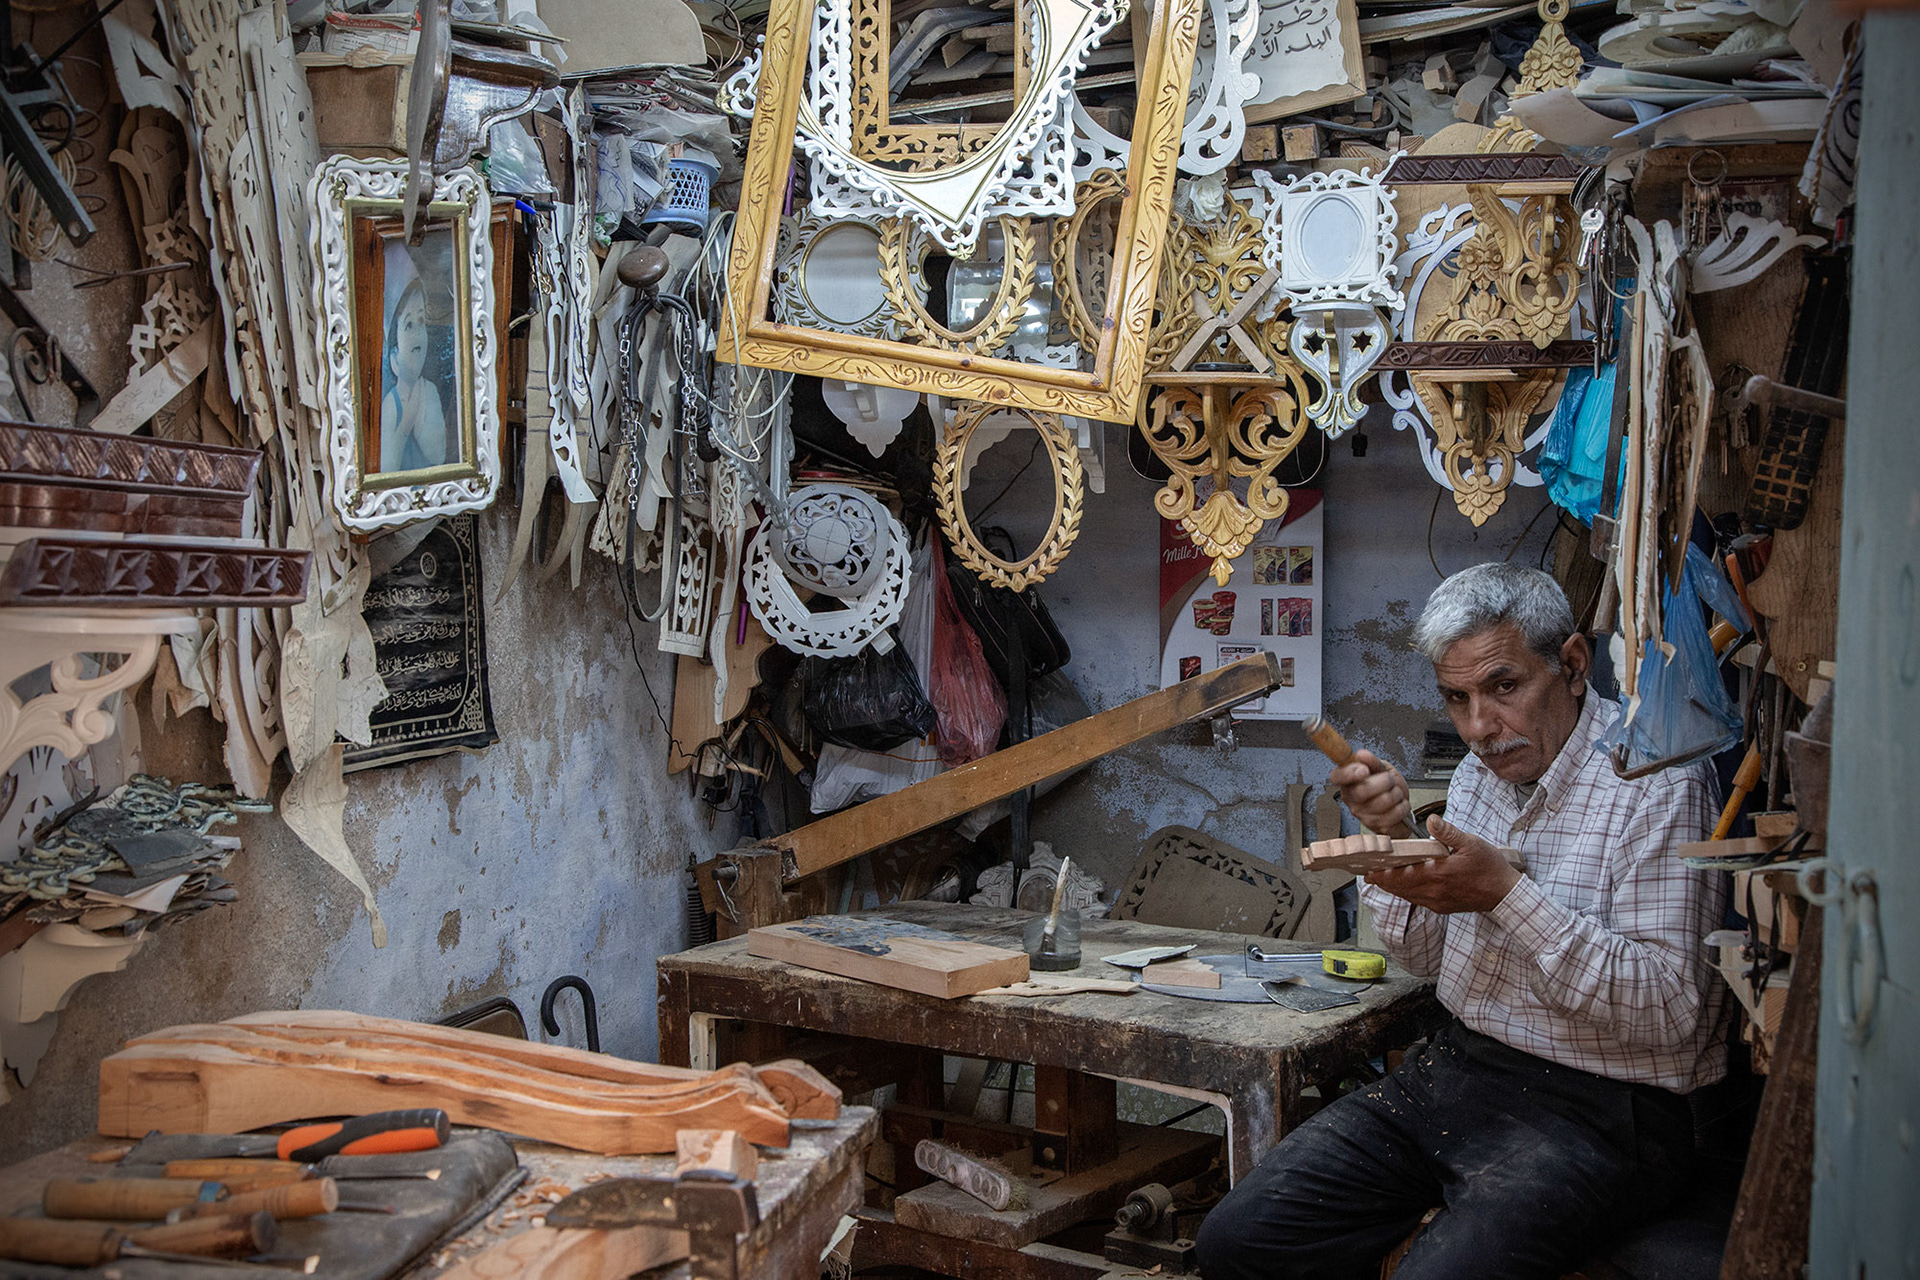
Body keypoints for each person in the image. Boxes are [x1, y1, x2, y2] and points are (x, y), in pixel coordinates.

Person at [1196, 563, 1729, 1280]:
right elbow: (1423, 958)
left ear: (1572, 665)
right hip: (1466, 1070)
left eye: (1504, 688)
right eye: (1457, 698)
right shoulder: (1481, 776)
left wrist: (1506, 896)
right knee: (1240, 1238)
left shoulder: (1659, 782)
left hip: (1613, 1110)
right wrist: (1393, 844)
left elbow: (1675, 1012)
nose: (1479, 727)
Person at [379, 276, 451, 474]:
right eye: (409, 325)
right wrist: (405, 426)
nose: (418, 331)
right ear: (394, 356)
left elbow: (438, 456)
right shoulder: (392, 405)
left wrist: (419, 424)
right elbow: (387, 467)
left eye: (421, 321)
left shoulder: (430, 391)